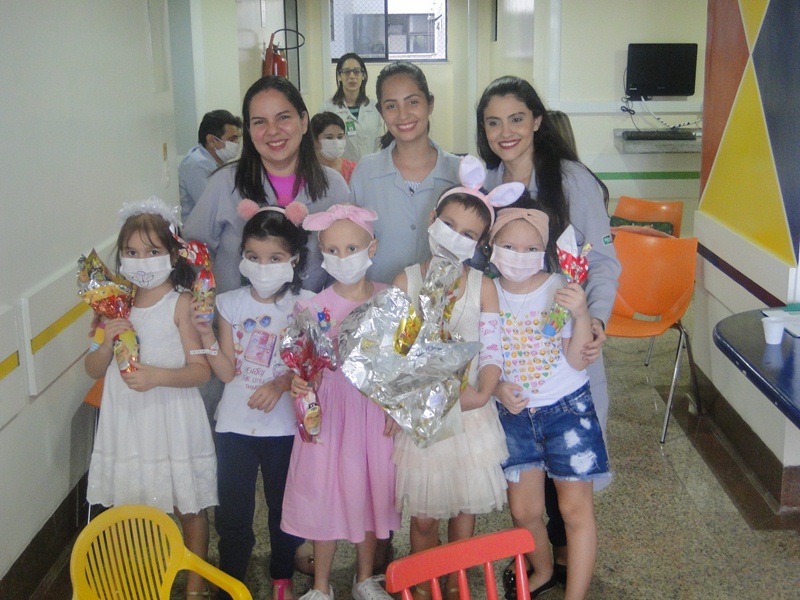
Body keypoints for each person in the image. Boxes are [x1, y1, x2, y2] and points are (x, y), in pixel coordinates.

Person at [476, 75, 620, 592]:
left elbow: (602, 261)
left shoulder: (570, 180)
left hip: (568, 354)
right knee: (529, 496)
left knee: (572, 489)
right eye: (493, 122)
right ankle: (545, 569)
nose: (505, 131)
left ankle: (569, 570)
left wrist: (594, 320)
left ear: (537, 120)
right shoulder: (486, 188)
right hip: (514, 369)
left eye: (517, 118)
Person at [390, 157, 523, 600]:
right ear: (432, 221)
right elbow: (395, 355)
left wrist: (485, 388)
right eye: (448, 225)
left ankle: (455, 582)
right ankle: (426, 581)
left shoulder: (483, 286)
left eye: (468, 234)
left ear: (481, 243)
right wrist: (402, 403)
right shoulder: (405, 281)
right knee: (424, 515)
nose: (455, 237)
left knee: (464, 508)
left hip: (468, 415)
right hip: (424, 420)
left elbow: (492, 348)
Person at [85, 197, 217, 598]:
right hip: (126, 419)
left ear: (172, 254)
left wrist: (158, 376)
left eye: (152, 252)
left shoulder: (181, 304)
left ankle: (195, 586)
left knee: (187, 506)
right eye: (131, 252)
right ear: (121, 257)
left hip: (171, 414)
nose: (142, 261)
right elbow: (93, 370)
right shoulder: (111, 305)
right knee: (129, 506)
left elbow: (201, 371)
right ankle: (136, 581)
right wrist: (106, 343)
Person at [191, 200, 314, 600]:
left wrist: (279, 384)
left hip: (283, 428)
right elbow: (227, 373)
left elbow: (312, 369)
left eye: (274, 257)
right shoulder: (228, 304)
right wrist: (207, 336)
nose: (263, 265)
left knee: (283, 509)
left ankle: (282, 577)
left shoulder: (306, 305)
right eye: (253, 257)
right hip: (233, 427)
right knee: (233, 514)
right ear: (242, 258)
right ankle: (232, 581)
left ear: (293, 259)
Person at [281, 204, 401, 600]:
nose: (343, 258)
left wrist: (396, 407)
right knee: (326, 494)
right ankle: (321, 585)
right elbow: (303, 367)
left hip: (373, 411)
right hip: (329, 414)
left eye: (352, 247)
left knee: (369, 491)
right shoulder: (312, 308)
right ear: (321, 253)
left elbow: (402, 360)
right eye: (332, 250)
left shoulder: (391, 299)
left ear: (373, 247)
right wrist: (300, 383)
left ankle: (365, 577)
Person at [490, 207, 610, 600]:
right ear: (490, 246)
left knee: (575, 512)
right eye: (508, 245)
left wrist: (580, 310)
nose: (518, 255)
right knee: (524, 512)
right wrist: (495, 388)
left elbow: (577, 360)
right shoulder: (486, 291)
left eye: (530, 248)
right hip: (514, 418)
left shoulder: (560, 286)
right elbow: (479, 355)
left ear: (545, 251)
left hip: (566, 412)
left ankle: (574, 595)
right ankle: (541, 571)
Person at [183, 76, 350, 295]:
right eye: (260, 121)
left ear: (303, 121)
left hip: (310, 321)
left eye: (283, 117)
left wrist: (325, 312)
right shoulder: (225, 183)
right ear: (249, 131)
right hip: (236, 325)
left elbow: (346, 261)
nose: (273, 130)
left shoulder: (333, 187)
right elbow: (195, 253)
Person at [350, 61, 461, 284]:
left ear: (429, 105)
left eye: (412, 102)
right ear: (381, 112)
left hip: (444, 307)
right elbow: (350, 241)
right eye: (391, 106)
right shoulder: (365, 171)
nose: (403, 115)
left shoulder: (458, 172)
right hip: (378, 303)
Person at [179, 109, 243, 222]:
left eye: (238, 138)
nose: (236, 144)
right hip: (199, 233)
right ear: (211, 140)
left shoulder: (214, 162)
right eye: (232, 139)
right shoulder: (198, 165)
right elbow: (214, 208)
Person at [319, 53, 382, 161]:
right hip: (341, 171)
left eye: (357, 72)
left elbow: (378, 143)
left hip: (370, 169)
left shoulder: (374, 107)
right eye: (347, 72)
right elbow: (322, 145)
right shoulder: (328, 109)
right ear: (339, 76)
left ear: (363, 76)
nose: (352, 76)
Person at [310, 111, 357, 184]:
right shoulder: (308, 171)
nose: (336, 142)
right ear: (315, 140)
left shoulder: (354, 169)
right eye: (329, 137)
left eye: (340, 136)